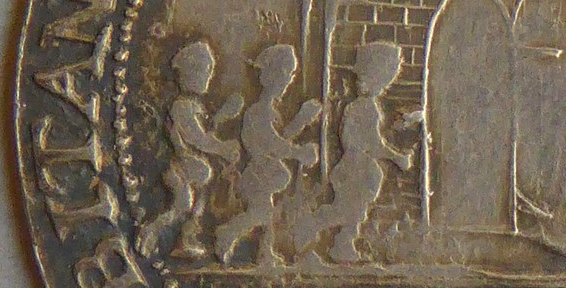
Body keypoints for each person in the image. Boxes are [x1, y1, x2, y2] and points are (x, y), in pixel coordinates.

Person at [293, 42, 413, 263]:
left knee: (355, 211)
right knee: (347, 211)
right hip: (355, 170)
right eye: (386, 81)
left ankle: (342, 246)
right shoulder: (366, 108)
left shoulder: (360, 106)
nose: (386, 87)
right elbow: (372, 144)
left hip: (358, 169)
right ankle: (313, 225)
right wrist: (397, 158)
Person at [214, 44, 321, 270]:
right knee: (261, 213)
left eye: (291, 74)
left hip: (266, 172)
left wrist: (301, 120)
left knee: (267, 214)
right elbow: (273, 145)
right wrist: (299, 152)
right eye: (286, 73)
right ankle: (228, 232)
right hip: (257, 174)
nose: (289, 80)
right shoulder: (258, 112)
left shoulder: (270, 110)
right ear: (270, 75)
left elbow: (281, 138)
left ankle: (265, 254)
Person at [137, 40, 241, 259]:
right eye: (205, 70)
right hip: (181, 170)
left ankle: (186, 240)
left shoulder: (195, 106)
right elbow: (197, 139)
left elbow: (205, 133)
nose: (209, 76)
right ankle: (150, 232)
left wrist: (221, 119)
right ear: (189, 73)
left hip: (194, 170)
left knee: (195, 207)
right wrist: (222, 149)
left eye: (210, 71)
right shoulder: (182, 107)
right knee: (182, 207)